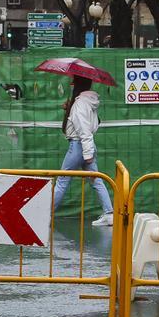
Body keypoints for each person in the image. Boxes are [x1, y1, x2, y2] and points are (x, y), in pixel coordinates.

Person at [51, 76, 114, 227]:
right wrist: (69, 109)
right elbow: (91, 124)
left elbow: (84, 130)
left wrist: (87, 154)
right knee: (96, 180)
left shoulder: (79, 104)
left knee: (62, 181)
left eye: (73, 83)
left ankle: (46, 214)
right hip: (86, 146)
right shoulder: (87, 102)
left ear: (77, 85)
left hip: (79, 146)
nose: (71, 86)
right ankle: (109, 214)